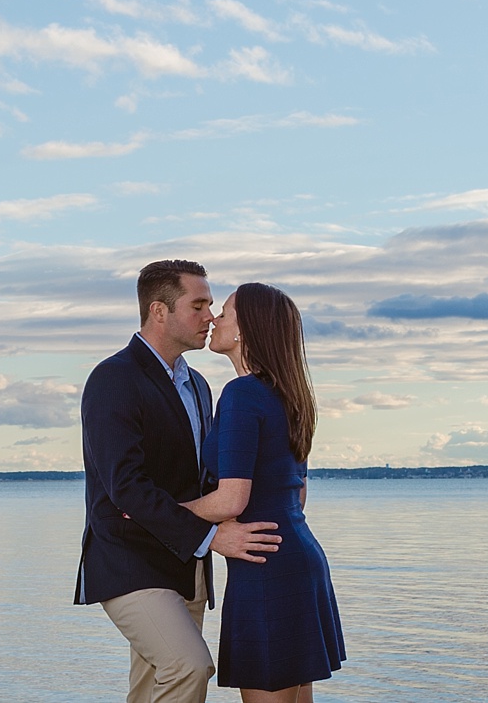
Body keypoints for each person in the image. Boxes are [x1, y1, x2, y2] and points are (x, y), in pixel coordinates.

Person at [77, 260, 284, 703]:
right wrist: (211, 536)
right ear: (159, 311)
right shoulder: (113, 378)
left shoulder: (199, 385)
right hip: (129, 561)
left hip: (187, 568)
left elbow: (203, 480)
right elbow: (126, 488)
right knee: (189, 666)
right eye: (199, 305)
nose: (209, 316)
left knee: (152, 685)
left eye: (211, 305)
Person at [183, 282, 345, 703]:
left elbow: (232, 500)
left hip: (264, 566)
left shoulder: (241, 394)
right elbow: (299, 494)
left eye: (226, 312)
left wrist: (165, 512)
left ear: (246, 330)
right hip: (295, 553)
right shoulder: (291, 395)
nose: (215, 318)